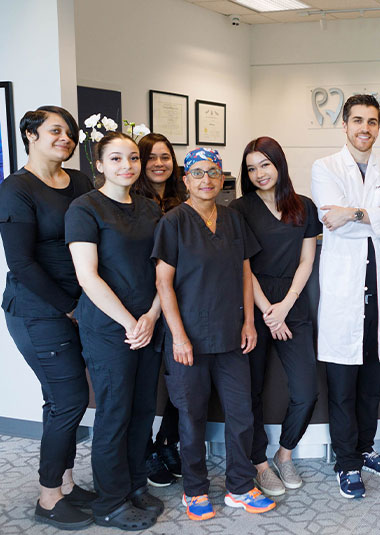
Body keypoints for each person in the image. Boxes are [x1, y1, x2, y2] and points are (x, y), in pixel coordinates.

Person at [152, 148, 275, 520]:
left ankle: (240, 486)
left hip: (232, 337)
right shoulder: (172, 222)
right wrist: (178, 336)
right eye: (198, 173)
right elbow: (163, 283)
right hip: (188, 340)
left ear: (222, 179)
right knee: (191, 419)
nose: (207, 180)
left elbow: (244, 272)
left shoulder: (233, 220)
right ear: (186, 180)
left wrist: (250, 322)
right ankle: (195, 490)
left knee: (241, 415)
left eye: (214, 173)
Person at [311, 94, 380, 499]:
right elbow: (330, 219)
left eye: (371, 121)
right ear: (345, 125)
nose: (364, 128)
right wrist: (375, 215)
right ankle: (346, 462)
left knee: (373, 384)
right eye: (357, 121)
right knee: (343, 386)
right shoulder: (325, 167)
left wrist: (355, 212)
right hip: (345, 294)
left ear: (379, 126)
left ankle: (366, 449)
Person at [0, 106, 95, 530]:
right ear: (30, 135)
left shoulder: (78, 181)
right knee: (69, 399)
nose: (66, 138)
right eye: (56, 131)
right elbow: (21, 263)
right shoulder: (15, 189)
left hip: (77, 306)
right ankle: (48, 497)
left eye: (70, 133)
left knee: (61, 400)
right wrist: (70, 306)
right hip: (39, 310)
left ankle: (67, 485)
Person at [65, 132, 164, 530]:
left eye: (133, 158)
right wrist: (129, 321)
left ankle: (135, 485)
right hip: (110, 328)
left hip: (147, 323)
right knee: (114, 414)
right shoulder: (84, 208)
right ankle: (109, 502)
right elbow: (87, 276)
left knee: (143, 411)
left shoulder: (149, 208)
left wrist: (153, 316)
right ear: (100, 165)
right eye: (117, 158)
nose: (128, 165)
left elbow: (163, 269)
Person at [230, 136, 321, 496]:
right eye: (251, 168)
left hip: (292, 306)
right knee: (249, 393)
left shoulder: (304, 207)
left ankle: (284, 454)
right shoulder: (238, 209)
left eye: (265, 164)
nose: (259, 173)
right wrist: (268, 309)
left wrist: (285, 306)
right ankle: (260, 464)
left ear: (279, 164)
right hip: (254, 308)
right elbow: (243, 268)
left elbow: (307, 261)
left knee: (305, 390)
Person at [133, 132, 185, 487]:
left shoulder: (186, 198)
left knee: (185, 382)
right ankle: (147, 450)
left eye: (165, 156)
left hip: (186, 301)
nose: (158, 163)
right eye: (150, 157)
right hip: (146, 301)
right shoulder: (131, 200)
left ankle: (168, 440)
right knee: (147, 382)